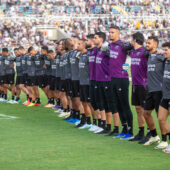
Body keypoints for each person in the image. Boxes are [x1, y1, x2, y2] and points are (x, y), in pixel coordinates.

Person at [109, 25, 134, 140]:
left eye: (113, 32)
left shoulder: (123, 45)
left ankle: (131, 130)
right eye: (109, 32)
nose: (110, 34)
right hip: (112, 79)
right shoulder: (110, 46)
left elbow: (134, 47)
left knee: (125, 105)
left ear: (118, 33)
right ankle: (124, 129)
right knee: (118, 105)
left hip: (122, 78)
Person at [143, 36, 165, 146]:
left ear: (155, 45)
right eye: (146, 43)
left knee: (160, 116)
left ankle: (165, 140)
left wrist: (162, 51)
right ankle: (154, 136)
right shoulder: (149, 55)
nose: (146, 44)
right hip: (150, 89)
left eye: (149, 43)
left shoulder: (160, 55)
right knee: (146, 113)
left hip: (159, 90)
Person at [129, 32, 149, 141]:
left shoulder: (145, 52)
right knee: (138, 109)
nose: (130, 41)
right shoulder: (132, 52)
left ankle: (150, 134)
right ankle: (141, 133)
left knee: (146, 111)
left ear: (135, 40)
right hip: (135, 84)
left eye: (132, 39)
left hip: (144, 85)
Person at [157, 42, 170, 151]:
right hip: (165, 96)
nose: (164, 52)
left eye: (166, 50)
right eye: (164, 49)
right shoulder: (165, 61)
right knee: (161, 119)